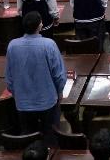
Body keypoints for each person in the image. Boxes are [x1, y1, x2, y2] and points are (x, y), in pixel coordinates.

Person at [6, 11, 66, 142]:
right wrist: (60, 91)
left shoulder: (12, 46)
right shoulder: (49, 44)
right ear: (40, 26)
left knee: (29, 140)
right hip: (48, 102)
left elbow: (9, 78)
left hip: (23, 104)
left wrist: (18, 95)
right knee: (51, 138)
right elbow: (59, 75)